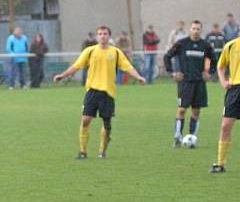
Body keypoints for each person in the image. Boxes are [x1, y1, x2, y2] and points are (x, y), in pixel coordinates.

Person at [53, 26, 146, 159]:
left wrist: (138, 77)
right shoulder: (90, 51)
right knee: (85, 120)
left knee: (107, 123)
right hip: (92, 91)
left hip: (108, 93)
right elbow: (76, 66)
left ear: (109, 36)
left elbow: (128, 67)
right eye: (100, 34)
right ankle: (83, 152)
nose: (103, 36)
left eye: (105, 34)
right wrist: (62, 75)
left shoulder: (116, 52)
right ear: (97, 37)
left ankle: (102, 152)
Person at [164, 20, 213, 148]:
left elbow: (214, 60)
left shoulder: (205, 45)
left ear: (201, 30)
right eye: (193, 29)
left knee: (196, 112)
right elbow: (167, 56)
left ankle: (192, 138)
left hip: (199, 83)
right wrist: (172, 73)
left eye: (198, 29)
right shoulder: (182, 43)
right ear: (190, 29)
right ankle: (177, 137)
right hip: (185, 82)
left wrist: (209, 73)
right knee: (181, 110)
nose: (195, 31)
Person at [210, 34, 240, 173]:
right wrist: (223, 81)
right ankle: (220, 164)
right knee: (225, 126)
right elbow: (220, 66)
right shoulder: (231, 45)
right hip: (235, 90)